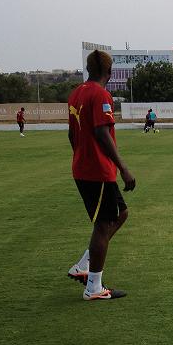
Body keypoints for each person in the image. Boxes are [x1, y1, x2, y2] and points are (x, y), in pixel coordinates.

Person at [66, 50, 135, 300]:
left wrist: (81, 156)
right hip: (97, 170)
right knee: (104, 225)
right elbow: (102, 132)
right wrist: (123, 168)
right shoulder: (101, 94)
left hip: (84, 167)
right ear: (110, 71)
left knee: (121, 213)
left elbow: (72, 134)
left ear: (88, 69)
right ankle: (94, 287)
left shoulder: (76, 93)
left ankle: (84, 264)